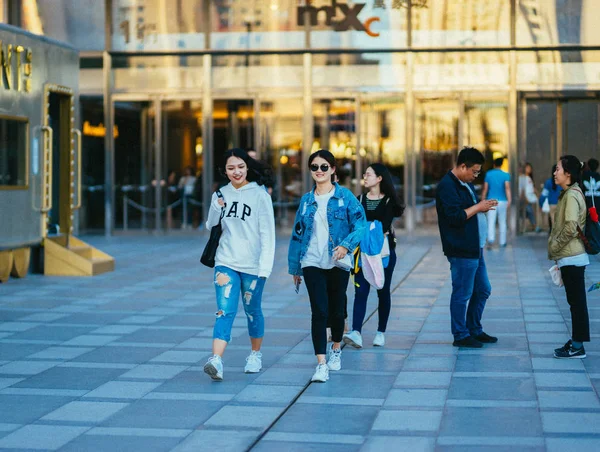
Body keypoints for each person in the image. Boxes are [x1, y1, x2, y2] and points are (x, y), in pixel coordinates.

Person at [288, 150, 366, 383]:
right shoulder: (306, 200)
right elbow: (297, 233)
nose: (319, 171)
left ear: (333, 169)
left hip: (338, 261)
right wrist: (295, 267)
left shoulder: (345, 197)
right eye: (314, 167)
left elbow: (360, 225)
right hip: (311, 260)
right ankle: (321, 363)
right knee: (319, 311)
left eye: (324, 167)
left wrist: (346, 245)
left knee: (336, 309)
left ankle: (335, 349)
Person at [203, 148, 276, 381]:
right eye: (231, 168)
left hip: (253, 266)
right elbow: (210, 225)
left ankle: (255, 354)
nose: (237, 172)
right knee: (224, 311)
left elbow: (268, 235)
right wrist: (216, 205)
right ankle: (216, 360)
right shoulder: (220, 193)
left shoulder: (259, 195)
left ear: (247, 167)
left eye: (241, 167)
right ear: (224, 171)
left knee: (252, 311)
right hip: (226, 262)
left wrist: (265, 269)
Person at [436, 147, 499, 348]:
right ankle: (460, 334)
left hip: (475, 247)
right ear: (463, 166)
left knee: (483, 290)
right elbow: (455, 217)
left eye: (478, 172)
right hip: (461, 248)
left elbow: (469, 211)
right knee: (462, 293)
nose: (475, 175)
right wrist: (478, 207)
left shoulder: (465, 184)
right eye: (474, 171)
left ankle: (474, 329)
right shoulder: (447, 186)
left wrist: (483, 206)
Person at [343, 163, 405, 348]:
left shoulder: (389, 202)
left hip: (382, 254)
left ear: (379, 178)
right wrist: (370, 227)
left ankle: (381, 332)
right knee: (360, 291)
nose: (365, 176)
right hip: (361, 254)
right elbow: (355, 224)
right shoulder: (359, 199)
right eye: (365, 173)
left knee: (382, 291)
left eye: (368, 174)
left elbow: (384, 226)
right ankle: (356, 332)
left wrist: (366, 227)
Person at [549, 155, 590, 359]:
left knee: (577, 304)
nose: (555, 173)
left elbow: (571, 226)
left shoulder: (572, 195)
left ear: (568, 174)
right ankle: (576, 341)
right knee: (575, 303)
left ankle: (578, 346)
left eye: (558, 169)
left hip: (572, 256)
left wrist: (555, 246)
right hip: (570, 257)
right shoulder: (568, 193)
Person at [482, 157, 511, 248]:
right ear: (501, 164)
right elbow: (507, 188)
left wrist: (483, 199)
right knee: (502, 221)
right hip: (502, 200)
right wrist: (509, 199)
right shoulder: (506, 175)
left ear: (494, 164)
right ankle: (503, 242)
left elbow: (485, 188)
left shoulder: (489, 174)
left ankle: (490, 240)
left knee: (491, 221)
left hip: (491, 200)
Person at [539, 165, 562, 233]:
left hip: (552, 204)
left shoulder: (548, 182)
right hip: (561, 203)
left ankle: (555, 238)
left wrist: (541, 204)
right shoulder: (563, 181)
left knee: (553, 222)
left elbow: (543, 195)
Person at [519, 162, 541, 233]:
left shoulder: (529, 178)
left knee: (529, 212)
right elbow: (522, 189)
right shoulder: (522, 178)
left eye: (530, 168)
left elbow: (532, 188)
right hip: (526, 199)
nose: (529, 169)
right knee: (529, 212)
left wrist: (537, 193)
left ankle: (530, 226)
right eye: (527, 168)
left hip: (532, 199)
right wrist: (525, 198)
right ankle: (534, 226)